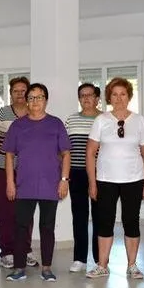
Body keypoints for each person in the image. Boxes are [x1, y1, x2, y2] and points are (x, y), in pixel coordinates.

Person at [86, 77, 144, 279]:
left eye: (123, 94)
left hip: (133, 180)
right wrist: (92, 182)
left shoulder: (139, 120)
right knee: (104, 222)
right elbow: (90, 153)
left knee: (131, 221)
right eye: (114, 94)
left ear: (129, 97)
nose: (119, 98)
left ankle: (132, 265)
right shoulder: (101, 120)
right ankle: (102, 265)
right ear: (108, 98)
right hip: (106, 180)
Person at [2, 84, 70, 282]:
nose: (34, 101)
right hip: (24, 184)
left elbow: (66, 154)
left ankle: (47, 267)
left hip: (51, 183)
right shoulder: (18, 125)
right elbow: (9, 155)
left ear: (46, 100)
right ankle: (19, 267)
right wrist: (10, 182)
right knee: (21, 226)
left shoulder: (56, 124)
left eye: (39, 97)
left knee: (47, 227)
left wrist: (64, 180)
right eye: (31, 97)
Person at [0, 76, 37, 268]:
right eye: (15, 91)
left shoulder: (35, 113)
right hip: (2, 168)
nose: (20, 94)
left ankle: (25, 250)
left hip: (28, 170)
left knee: (26, 212)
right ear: (10, 93)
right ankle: (7, 251)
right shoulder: (1, 113)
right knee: (6, 212)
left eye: (23, 91)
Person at [65, 83, 101, 273]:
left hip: (100, 174)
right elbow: (63, 149)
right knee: (79, 216)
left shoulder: (105, 119)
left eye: (90, 95)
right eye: (82, 95)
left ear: (97, 98)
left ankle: (99, 258)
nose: (86, 99)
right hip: (76, 173)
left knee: (99, 217)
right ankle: (79, 258)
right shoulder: (71, 120)